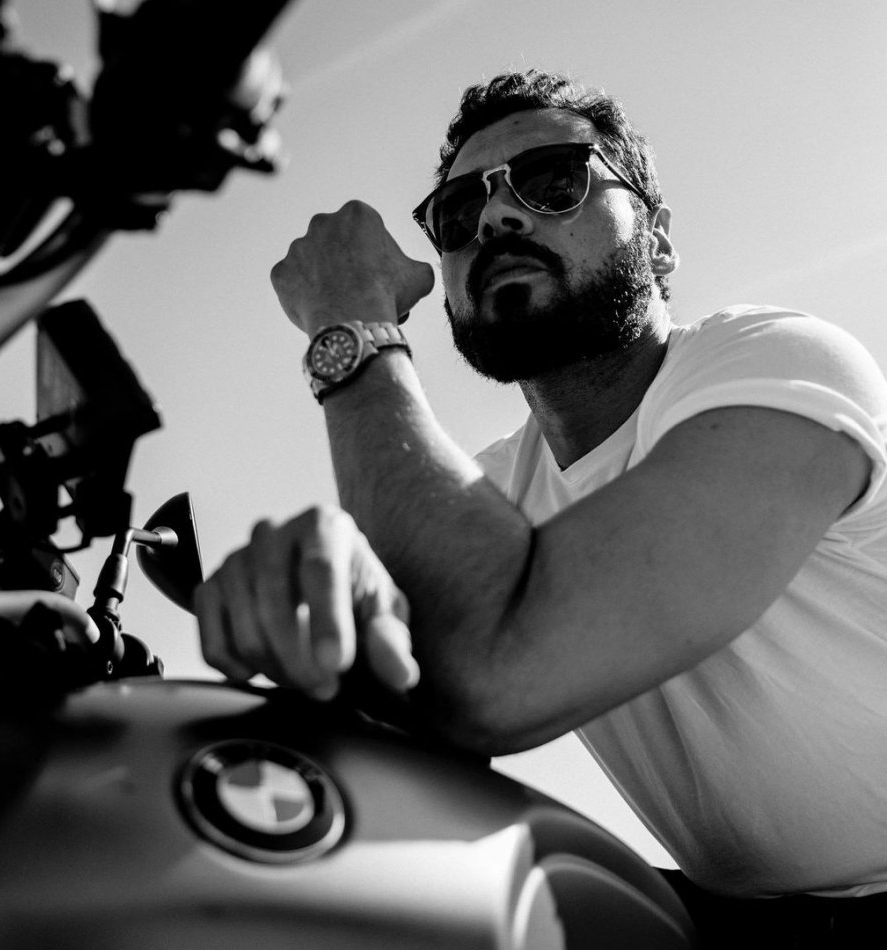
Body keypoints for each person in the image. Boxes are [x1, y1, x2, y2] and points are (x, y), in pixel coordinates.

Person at [194, 69, 887, 946]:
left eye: (553, 179)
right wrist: (315, 602)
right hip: (738, 920)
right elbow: (402, 728)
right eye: (458, 214)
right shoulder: (488, 500)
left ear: (658, 241)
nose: (494, 217)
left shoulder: (777, 361)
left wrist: (354, 324)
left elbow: (504, 678)